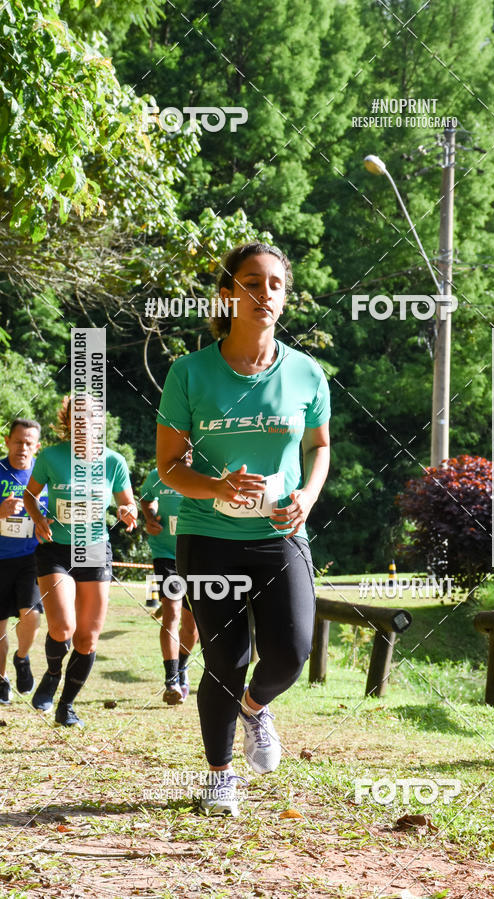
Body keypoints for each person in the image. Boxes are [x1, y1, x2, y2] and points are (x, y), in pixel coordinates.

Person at [156, 241, 330, 816]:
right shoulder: (190, 372)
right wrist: (218, 487)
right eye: (251, 282)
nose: (265, 293)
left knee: (292, 652)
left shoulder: (306, 373)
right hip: (208, 537)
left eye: (275, 283)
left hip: (282, 533)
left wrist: (306, 494)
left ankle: (256, 707)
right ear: (228, 294)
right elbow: (170, 467)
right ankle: (219, 776)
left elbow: (320, 446)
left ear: (284, 296)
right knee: (225, 660)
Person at [23, 396, 137, 727]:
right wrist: (38, 516)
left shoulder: (114, 461)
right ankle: (52, 674)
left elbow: (125, 503)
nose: (84, 424)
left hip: (95, 550)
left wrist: (127, 513)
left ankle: (66, 705)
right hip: (56, 548)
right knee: (63, 627)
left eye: (91, 419)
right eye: (78, 418)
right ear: (68, 421)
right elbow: (30, 495)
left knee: (87, 638)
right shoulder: (51, 456)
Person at [140, 454, 199, 704]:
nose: (186, 454)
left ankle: (182, 667)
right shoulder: (159, 475)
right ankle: (171, 680)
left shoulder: (206, 473)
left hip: (197, 555)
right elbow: (145, 499)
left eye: (191, 449)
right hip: (166, 554)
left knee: (192, 624)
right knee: (172, 613)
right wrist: (150, 518)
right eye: (182, 448)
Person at [0, 419, 48, 703]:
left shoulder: (42, 476)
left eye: (29, 443)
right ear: (7, 441)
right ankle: (2, 679)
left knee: (32, 615)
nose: (23, 448)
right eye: (18, 441)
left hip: (31, 557)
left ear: (37, 446)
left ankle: (22, 656)